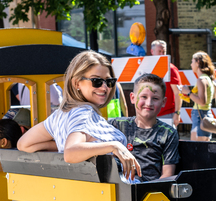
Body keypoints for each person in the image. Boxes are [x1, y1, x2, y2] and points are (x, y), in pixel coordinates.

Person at [17, 50, 142, 179]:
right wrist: (114, 146)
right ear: (77, 83)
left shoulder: (60, 114)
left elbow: (24, 144)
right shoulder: (84, 113)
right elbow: (71, 152)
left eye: (109, 81)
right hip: (110, 192)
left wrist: (62, 145)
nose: (104, 87)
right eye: (96, 81)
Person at [110, 74, 180, 182]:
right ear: (133, 98)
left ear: (163, 102)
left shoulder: (168, 133)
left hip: (149, 191)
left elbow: (167, 175)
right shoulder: (117, 125)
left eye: (155, 98)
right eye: (144, 97)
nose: (149, 103)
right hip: (118, 188)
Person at [143, 40, 181, 127]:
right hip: (150, 113)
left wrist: (177, 113)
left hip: (167, 114)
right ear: (152, 52)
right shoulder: (145, 68)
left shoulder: (171, 69)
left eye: (164, 51)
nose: (162, 54)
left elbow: (178, 92)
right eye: (159, 51)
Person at [185, 51, 216, 142]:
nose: (191, 64)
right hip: (206, 115)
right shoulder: (207, 78)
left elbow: (201, 101)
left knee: (196, 150)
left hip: (199, 116)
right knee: (203, 149)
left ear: (198, 62)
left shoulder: (201, 80)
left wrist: (188, 92)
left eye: (192, 61)